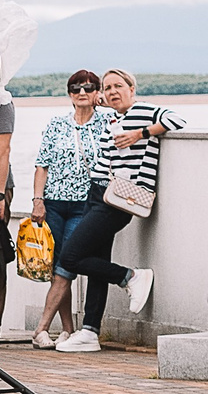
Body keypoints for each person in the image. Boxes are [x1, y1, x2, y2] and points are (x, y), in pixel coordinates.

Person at [53, 70, 180, 352]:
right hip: (97, 193)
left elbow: (177, 120)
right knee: (96, 260)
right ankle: (90, 331)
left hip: (118, 200)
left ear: (132, 88)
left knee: (70, 257)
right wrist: (98, 101)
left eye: (118, 86)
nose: (112, 91)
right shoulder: (113, 118)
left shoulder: (143, 111)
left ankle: (131, 276)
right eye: (107, 87)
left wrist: (140, 134)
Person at [28, 70, 113, 346]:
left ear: (97, 92)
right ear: (69, 94)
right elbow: (42, 164)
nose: (82, 93)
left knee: (67, 263)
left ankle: (41, 328)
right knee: (56, 267)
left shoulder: (108, 123)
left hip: (85, 205)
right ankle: (66, 328)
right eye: (75, 88)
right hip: (54, 203)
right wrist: (37, 200)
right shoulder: (57, 124)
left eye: (88, 88)